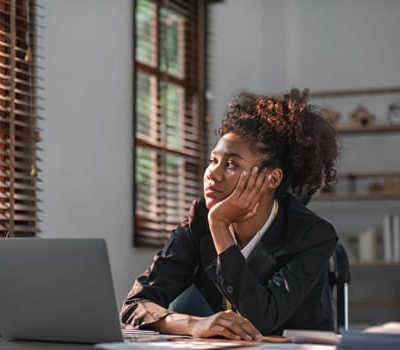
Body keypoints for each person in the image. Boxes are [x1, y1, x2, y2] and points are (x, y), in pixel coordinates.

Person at [120, 88, 340, 341]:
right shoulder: (199, 219)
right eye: (213, 160)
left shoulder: (312, 234)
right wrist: (191, 324)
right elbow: (134, 306)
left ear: (272, 178)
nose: (211, 173)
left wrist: (220, 225)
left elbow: (262, 321)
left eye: (231, 164)